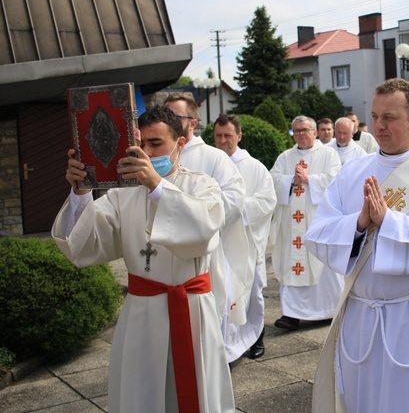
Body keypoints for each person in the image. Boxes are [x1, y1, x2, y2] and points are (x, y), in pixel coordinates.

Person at [51, 106, 235, 412]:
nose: (147, 152)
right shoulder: (123, 195)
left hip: (191, 310)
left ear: (179, 143)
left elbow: (204, 231)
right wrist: (82, 192)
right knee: (142, 395)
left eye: (156, 144)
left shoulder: (202, 184)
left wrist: (157, 187)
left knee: (198, 394)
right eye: (142, 144)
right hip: (141, 314)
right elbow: (82, 245)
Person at [304, 78, 409, 413]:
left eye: (389, 118)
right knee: (360, 401)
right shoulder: (352, 173)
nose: (379, 126)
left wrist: (389, 222)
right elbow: (317, 234)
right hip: (361, 315)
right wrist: (360, 224)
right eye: (375, 116)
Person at [164, 93, 251, 351]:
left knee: (208, 319)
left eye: (175, 116)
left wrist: (196, 217)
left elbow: (234, 197)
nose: (168, 120)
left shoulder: (214, 157)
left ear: (193, 122)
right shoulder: (157, 154)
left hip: (206, 251)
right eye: (165, 114)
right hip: (165, 252)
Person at [213, 114, 277, 361]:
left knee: (251, 294)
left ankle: (257, 337)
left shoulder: (255, 167)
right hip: (219, 243)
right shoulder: (211, 164)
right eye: (218, 136)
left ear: (239, 136)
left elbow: (267, 200)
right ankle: (226, 346)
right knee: (225, 295)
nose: (222, 140)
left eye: (228, 135)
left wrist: (234, 208)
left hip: (248, 243)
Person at [269, 116, 343, 330]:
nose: (301, 134)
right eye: (296, 131)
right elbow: (272, 179)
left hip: (318, 219)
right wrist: (290, 180)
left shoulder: (328, 154)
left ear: (315, 132)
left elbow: (336, 179)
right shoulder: (285, 157)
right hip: (292, 223)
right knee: (292, 262)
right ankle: (291, 315)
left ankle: (327, 310)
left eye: (305, 129)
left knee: (320, 263)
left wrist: (309, 179)